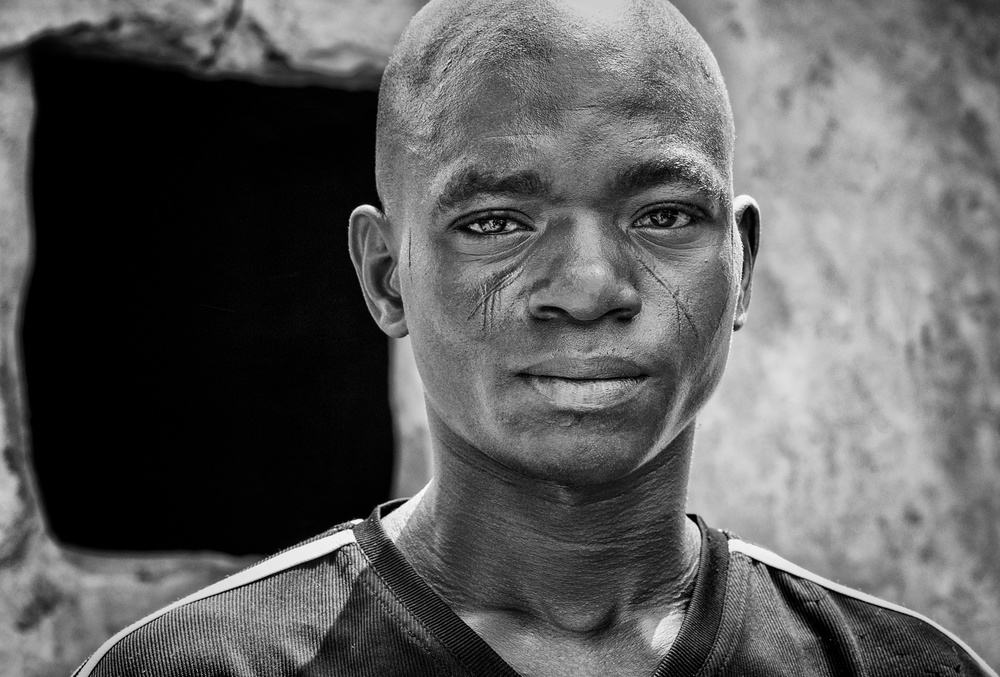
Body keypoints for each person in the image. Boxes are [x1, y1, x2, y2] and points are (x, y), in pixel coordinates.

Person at [73, 0, 997, 675]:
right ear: (386, 275)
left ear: (741, 264)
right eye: (496, 223)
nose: (589, 288)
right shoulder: (202, 666)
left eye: (665, 213)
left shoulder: (895, 666)